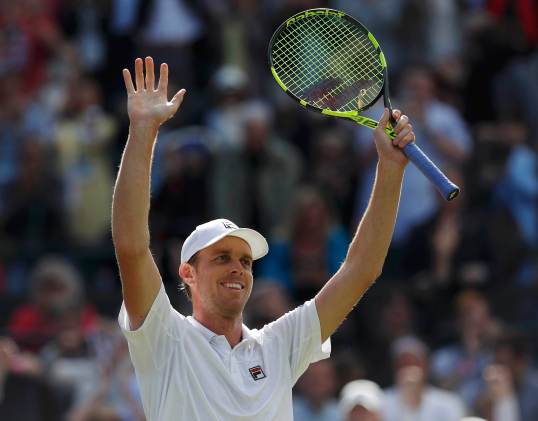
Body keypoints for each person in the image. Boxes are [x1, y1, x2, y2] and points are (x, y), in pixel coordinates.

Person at [112, 56, 416, 420]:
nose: (238, 268)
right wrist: (143, 131)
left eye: (244, 261)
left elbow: (361, 269)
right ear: (188, 274)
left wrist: (390, 169)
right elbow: (131, 246)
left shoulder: (277, 344)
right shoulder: (164, 336)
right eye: (221, 257)